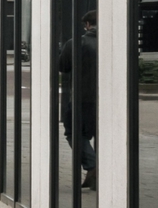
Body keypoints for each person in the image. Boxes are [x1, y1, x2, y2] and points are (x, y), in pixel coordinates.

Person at [58, 10, 98, 191]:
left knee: (74, 133)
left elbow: (63, 67)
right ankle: (96, 172)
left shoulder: (75, 43)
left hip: (82, 99)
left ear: (88, 25)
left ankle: (93, 166)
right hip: (109, 101)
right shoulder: (116, 43)